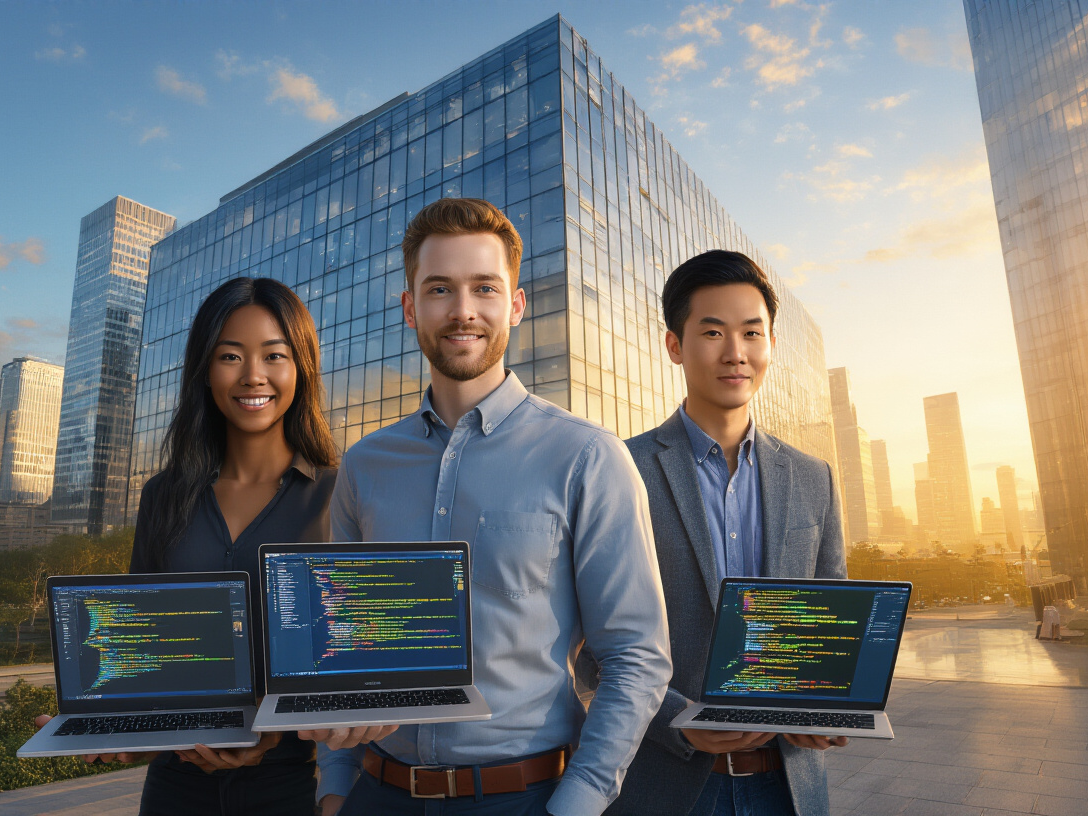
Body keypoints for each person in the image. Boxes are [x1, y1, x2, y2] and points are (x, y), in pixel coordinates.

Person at [316, 198, 672, 816]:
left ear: (516, 304)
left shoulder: (588, 457)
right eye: (439, 289)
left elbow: (636, 655)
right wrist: (335, 788)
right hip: (376, 794)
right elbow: (342, 645)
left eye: (485, 288)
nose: (463, 310)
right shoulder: (364, 465)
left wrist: (576, 805)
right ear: (410, 308)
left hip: (524, 798)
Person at [34, 277, 393, 816]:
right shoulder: (163, 495)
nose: (253, 375)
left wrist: (269, 735)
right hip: (174, 784)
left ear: (302, 368)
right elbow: (141, 650)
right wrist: (119, 730)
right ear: (205, 369)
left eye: (274, 355)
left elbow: (352, 665)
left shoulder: (341, 494)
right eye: (230, 356)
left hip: (289, 785)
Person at [605, 250, 847, 816]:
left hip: (790, 788)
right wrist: (679, 719)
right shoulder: (620, 469)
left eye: (751, 333)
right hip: (667, 786)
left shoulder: (814, 477)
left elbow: (829, 621)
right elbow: (596, 643)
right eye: (713, 332)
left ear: (770, 344)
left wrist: (830, 704)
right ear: (675, 345)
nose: (735, 352)